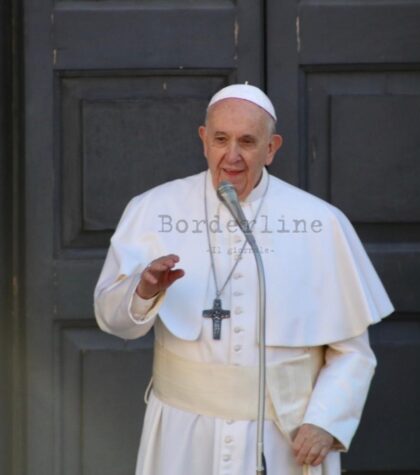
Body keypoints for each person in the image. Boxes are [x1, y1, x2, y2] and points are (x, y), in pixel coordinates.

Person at [94, 84, 394, 475]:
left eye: (248, 142)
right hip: (184, 435)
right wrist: (143, 291)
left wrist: (326, 420)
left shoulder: (320, 222)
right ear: (204, 139)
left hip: (285, 436)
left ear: (271, 148)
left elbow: (353, 351)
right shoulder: (153, 209)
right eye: (221, 139)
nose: (232, 155)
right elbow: (112, 322)